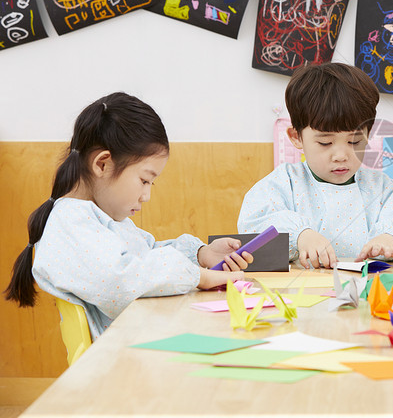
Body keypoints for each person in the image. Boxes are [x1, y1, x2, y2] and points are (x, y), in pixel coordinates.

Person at [4, 92, 252, 339]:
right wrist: (198, 276)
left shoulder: (101, 218)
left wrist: (200, 255)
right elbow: (119, 281)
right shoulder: (70, 223)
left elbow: (147, 254)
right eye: (144, 180)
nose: (146, 196)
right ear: (102, 164)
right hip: (117, 362)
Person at [237, 62, 393, 269]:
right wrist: (300, 235)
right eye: (325, 143)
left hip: (367, 293)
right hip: (301, 295)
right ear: (297, 138)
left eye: (354, 141)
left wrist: (390, 239)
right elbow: (251, 229)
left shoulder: (382, 188)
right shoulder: (284, 183)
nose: (340, 156)